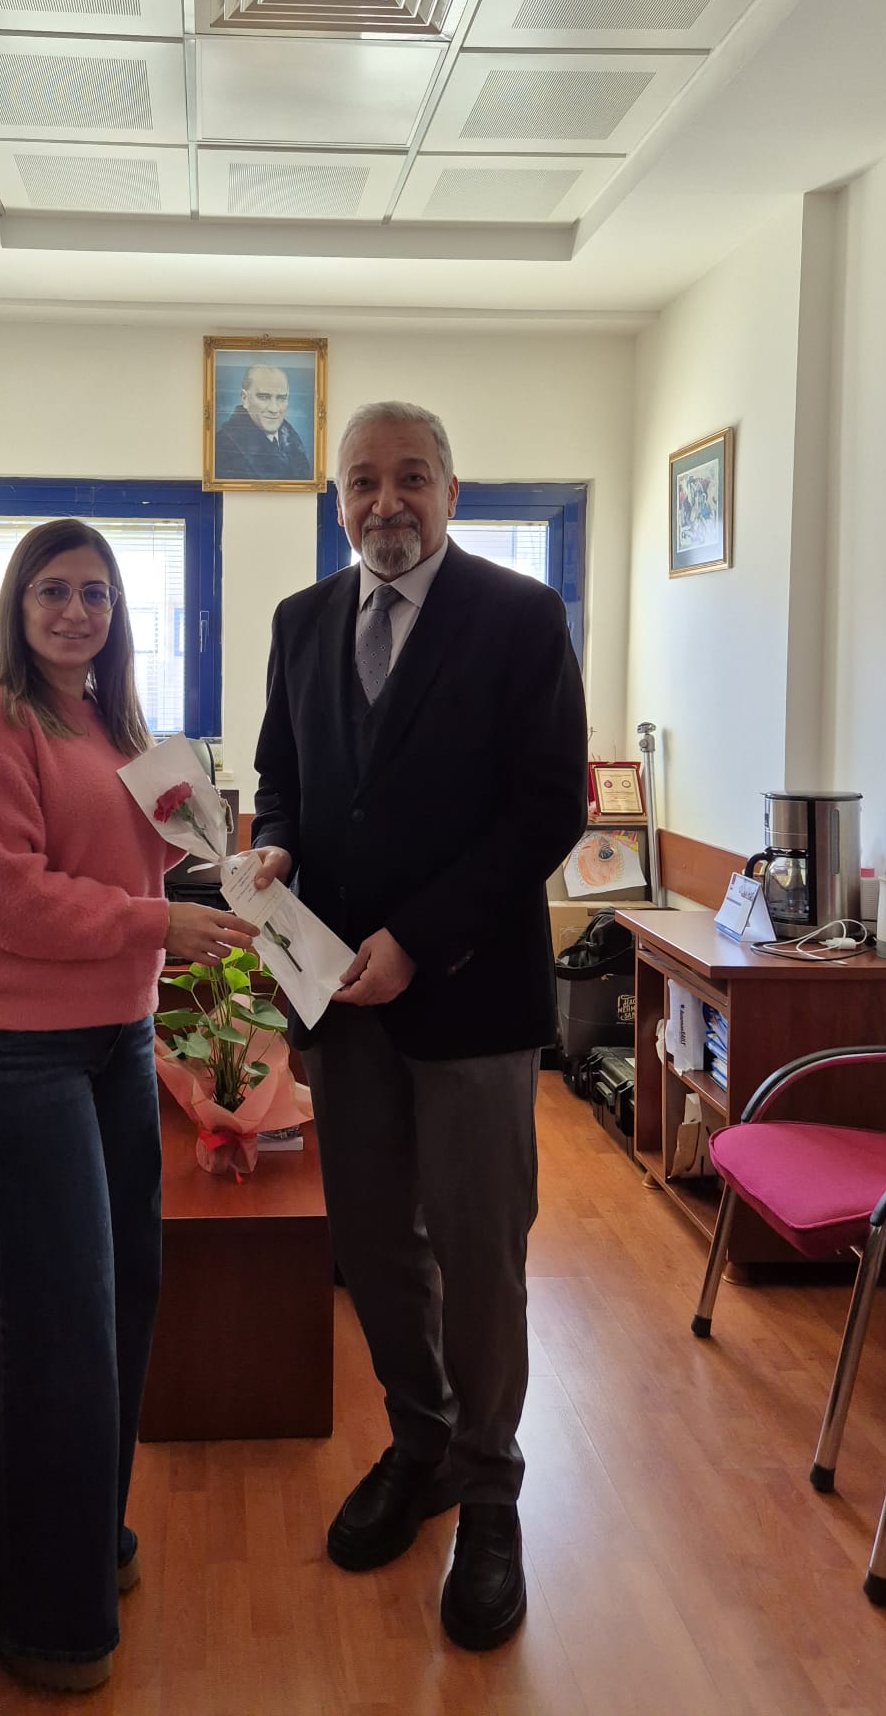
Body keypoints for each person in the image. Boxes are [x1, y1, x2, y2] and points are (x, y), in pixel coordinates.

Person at [250, 402, 586, 1652]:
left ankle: (491, 1492)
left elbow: (548, 808)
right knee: (373, 1238)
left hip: (472, 996)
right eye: (361, 482)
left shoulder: (520, 616)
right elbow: (284, 778)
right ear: (337, 500)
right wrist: (274, 843)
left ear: (453, 488)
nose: (384, 502)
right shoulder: (299, 622)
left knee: (483, 1251)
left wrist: (419, 937)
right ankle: (423, 1438)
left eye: (409, 478)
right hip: (340, 999)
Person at [0, 518, 256, 1693]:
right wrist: (164, 920)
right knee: (41, 1332)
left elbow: (127, 867)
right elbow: (12, 900)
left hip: (116, 1038)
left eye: (97, 594)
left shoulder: (115, 722)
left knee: (117, 1304)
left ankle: (80, 1542)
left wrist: (227, 870)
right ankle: (32, 1610)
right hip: (17, 1054)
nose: (76, 612)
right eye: (54, 590)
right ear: (16, 602)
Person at [215, 364, 313, 480]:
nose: (274, 409)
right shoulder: (222, 447)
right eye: (264, 397)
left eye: (281, 398)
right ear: (244, 398)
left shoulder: (292, 441)